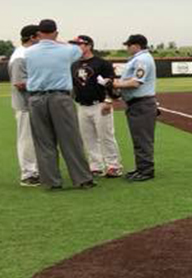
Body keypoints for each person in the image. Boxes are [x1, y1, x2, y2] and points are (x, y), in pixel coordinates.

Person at [23, 19, 94, 190]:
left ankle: (51, 182)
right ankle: (82, 179)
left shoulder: (29, 52)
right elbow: (79, 51)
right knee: (71, 139)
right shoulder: (67, 50)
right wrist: (57, 40)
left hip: (36, 99)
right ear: (56, 32)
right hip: (60, 97)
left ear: (39, 33)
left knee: (44, 142)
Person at [105, 34, 157, 181]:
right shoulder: (139, 59)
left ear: (137, 45)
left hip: (141, 103)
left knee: (143, 139)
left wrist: (114, 84)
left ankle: (146, 171)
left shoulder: (142, 59)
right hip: (137, 103)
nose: (127, 48)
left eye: (129, 45)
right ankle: (141, 168)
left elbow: (136, 82)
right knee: (139, 139)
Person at [71, 35, 124, 178]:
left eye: (79, 44)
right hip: (82, 105)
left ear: (89, 46)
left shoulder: (101, 63)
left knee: (106, 136)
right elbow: (74, 86)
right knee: (88, 138)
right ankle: (96, 166)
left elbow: (111, 82)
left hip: (99, 104)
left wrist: (108, 101)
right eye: (74, 44)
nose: (76, 47)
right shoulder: (73, 64)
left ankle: (113, 166)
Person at [9, 24, 40, 186]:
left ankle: (35, 170)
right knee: (26, 139)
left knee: (35, 139)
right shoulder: (20, 56)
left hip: (33, 104)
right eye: (39, 35)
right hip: (25, 105)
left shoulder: (28, 53)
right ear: (32, 37)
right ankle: (28, 174)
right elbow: (19, 83)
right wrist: (43, 81)